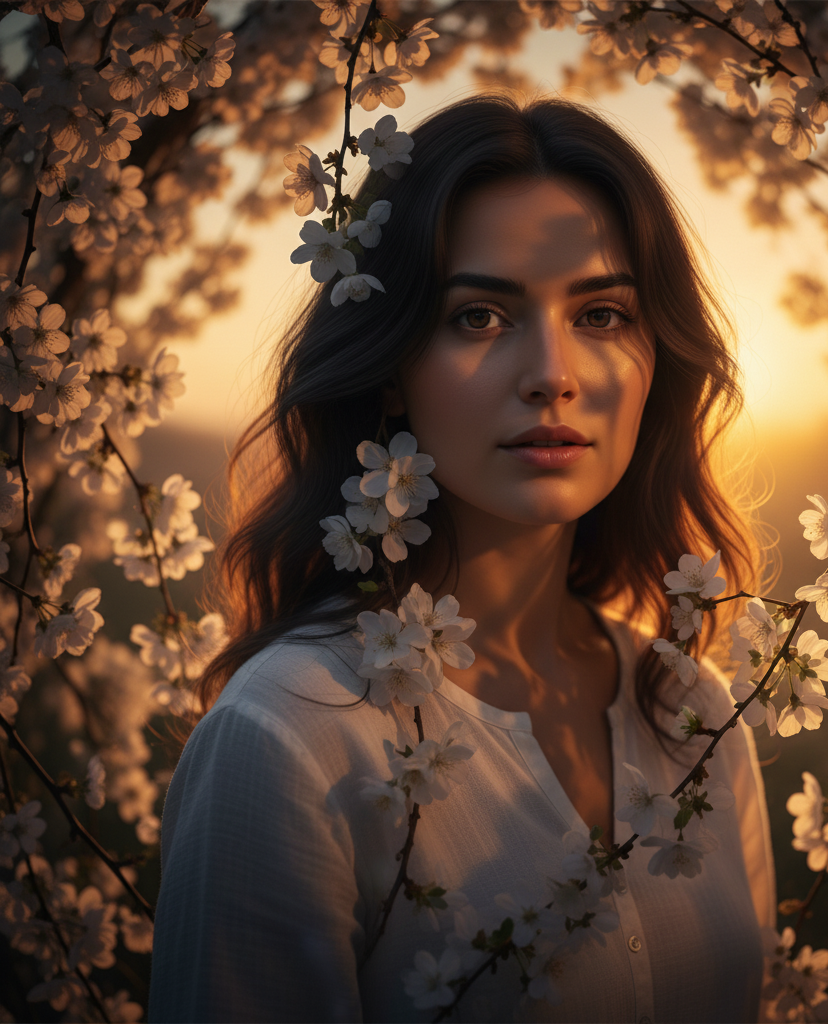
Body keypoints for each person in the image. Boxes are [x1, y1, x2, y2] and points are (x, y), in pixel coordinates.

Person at [149, 94, 776, 1023]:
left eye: (602, 314)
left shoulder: (694, 713)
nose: (552, 373)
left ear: (657, 356)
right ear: (393, 363)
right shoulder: (291, 738)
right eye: (480, 316)